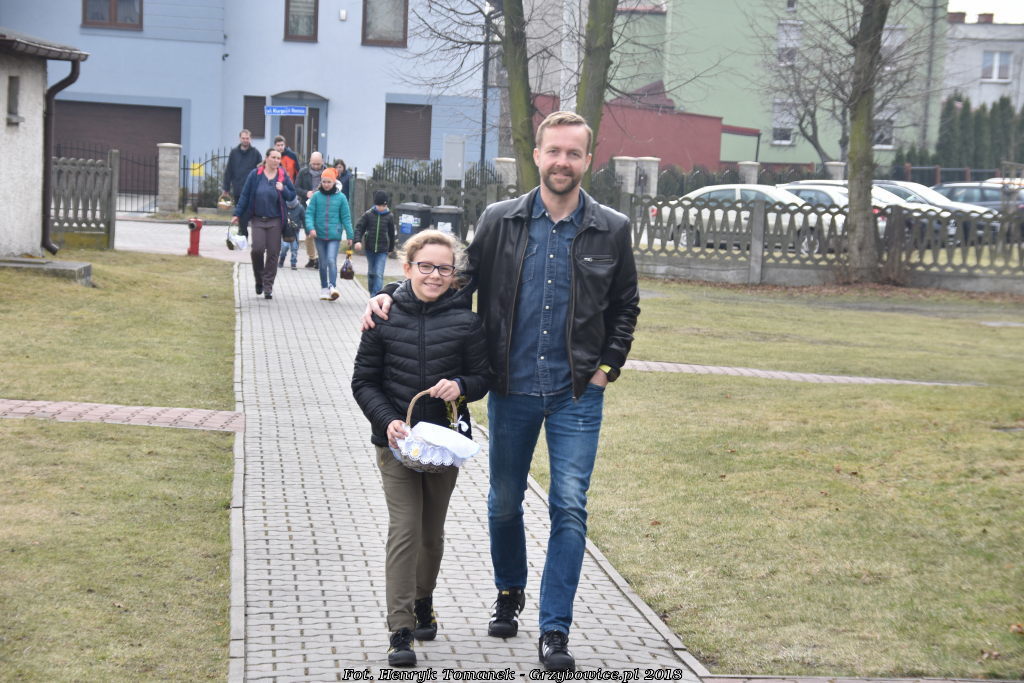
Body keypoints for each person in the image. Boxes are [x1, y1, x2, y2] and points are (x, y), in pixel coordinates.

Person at [363, 111, 640, 672]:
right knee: (504, 502)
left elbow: (625, 306)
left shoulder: (611, 227)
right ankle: (509, 590)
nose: (562, 161)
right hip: (511, 388)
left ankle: (555, 628)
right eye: (553, 151)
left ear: (588, 160)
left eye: (574, 153)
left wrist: (606, 369)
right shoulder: (500, 220)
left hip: (576, 394)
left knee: (569, 505)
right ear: (537, 155)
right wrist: (394, 290)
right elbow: (452, 278)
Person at [351, 229, 491, 668]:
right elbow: (363, 381)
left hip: (443, 447)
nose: (434, 275)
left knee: (431, 534)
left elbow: (482, 378)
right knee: (406, 529)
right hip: (395, 443)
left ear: (454, 274)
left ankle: (423, 598)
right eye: (425, 266)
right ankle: (400, 627)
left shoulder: (467, 322)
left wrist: (462, 385)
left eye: (444, 268)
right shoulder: (383, 316)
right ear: (408, 267)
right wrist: (386, 420)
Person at [232, 148, 297, 300]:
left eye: (278, 158)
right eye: (273, 157)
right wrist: (237, 214)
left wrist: (283, 189)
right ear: (266, 158)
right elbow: (245, 195)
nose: (276, 161)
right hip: (257, 219)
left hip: (275, 219)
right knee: (257, 250)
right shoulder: (255, 175)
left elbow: (292, 195)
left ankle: (268, 286)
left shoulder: (282, 175)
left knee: (273, 252)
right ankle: (259, 279)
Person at [304, 167, 353, 301]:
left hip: (334, 235)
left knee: (331, 260)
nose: (326, 184)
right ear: (321, 182)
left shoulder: (341, 198)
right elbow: (309, 214)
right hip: (319, 235)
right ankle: (324, 288)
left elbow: (346, 217)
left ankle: (332, 286)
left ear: (334, 182)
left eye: (329, 182)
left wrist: (350, 235)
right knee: (323, 263)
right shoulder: (316, 197)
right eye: (324, 182)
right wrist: (311, 228)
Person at [354, 190, 397, 295]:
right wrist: (357, 241)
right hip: (370, 248)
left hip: (383, 250)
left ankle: (375, 296)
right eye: (378, 205)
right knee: (371, 273)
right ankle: (371, 292)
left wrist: (391, 248)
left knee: (378, 273)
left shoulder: (389, 216)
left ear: (386, 205)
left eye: (383, 205)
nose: (381, 208)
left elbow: (391, 234)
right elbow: (359, 228)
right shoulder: (368, 215)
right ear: (375, 204)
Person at [221, 130, 262, 239]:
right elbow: (229, 171)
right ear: (240, 139)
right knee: (240, 212)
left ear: (250, 139)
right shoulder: (234, 153)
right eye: (243, 138)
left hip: (252, 190)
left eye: (247, 138)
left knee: (248, 213)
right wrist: (226, 188)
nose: (245, 140)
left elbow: (261, 171)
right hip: (238, 189)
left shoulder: (256, 153)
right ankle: (243, 233)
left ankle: (245, 233)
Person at [295, 151, 326, 269]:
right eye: (314, 164)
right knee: (309, 233)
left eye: (318, 164)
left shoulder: (327, 172)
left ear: (322, 162)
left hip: (323, 206)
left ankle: (319, 258)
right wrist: (306, 193)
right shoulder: (303, 173)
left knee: (320, 233)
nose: (316, 166)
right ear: (310, 162)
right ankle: (312, 258)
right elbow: (296, 188)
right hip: (307, 206)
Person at [278, 198, 304, 271]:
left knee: (294, 248)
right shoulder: (283, 207)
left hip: (295, 231)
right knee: (284, 247)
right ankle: (281, 260)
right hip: (285, 231)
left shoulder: (300, 208)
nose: (290, 207)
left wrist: (307, 229)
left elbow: (304, 218)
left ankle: (293, 263)